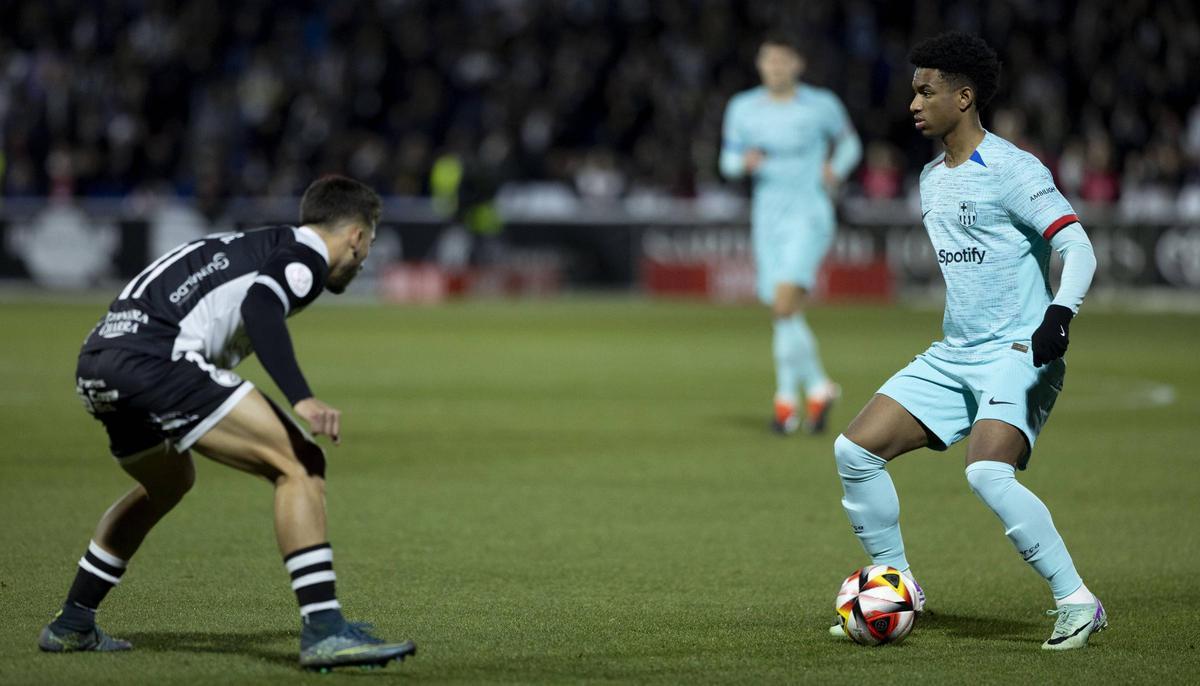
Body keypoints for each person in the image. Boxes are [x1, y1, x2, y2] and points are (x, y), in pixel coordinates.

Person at [39, 176, 418, 671]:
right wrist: (300, 397)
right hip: (157, 359)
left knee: (170, 481)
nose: (365, 257)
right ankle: (325, 630)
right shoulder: (304, 256)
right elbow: (260, 306)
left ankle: (72, 624)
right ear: (356, 235)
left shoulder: (256, 245)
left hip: (99, 361)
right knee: (300, 463)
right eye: (368, 242)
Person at [829, 33, 1105, 650]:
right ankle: (900, 588)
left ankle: (1078, 600)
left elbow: (1077, 246)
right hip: (955, 352)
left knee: (986, 472)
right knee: (854, 452)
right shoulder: (930, 178)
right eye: (912, 91)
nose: (914, 103)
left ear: (964, 95)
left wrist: (1059, 316)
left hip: (1020, 350)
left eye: (926, 91)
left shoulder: (1013, 169)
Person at [719, 32, 862, 435]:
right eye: (767, 61)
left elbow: (850, 144)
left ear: (797, 65)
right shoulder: (743, 108)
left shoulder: (821, 105)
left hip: (809, 212)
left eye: (782, 61)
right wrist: (743, 162)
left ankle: (791, 398)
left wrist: (836, 169)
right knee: (783, 314)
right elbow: (726, 162)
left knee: (783, 306)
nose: (774, 68)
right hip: (767, 217)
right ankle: (806, 395)